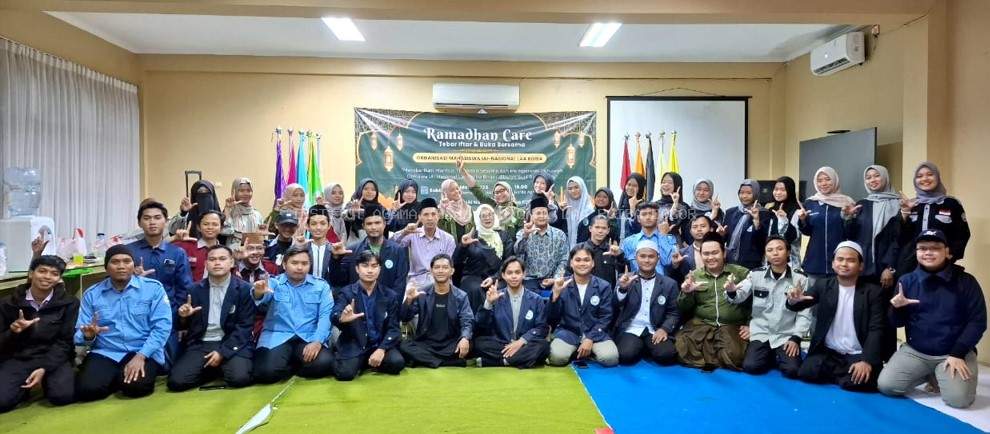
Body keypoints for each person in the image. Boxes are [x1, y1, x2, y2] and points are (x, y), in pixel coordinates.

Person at [878, 229, 986, 408]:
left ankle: (940, 373)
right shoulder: (907, 280)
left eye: (935, 248)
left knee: (958, 400)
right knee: (887, 386)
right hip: (916, 351)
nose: (928, 252)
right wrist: (896, 309)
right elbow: (896, 323)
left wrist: (958, 353)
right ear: (916, 252)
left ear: (947, 252)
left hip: (952, 353)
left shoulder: (966, 282)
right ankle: (930, 373)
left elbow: (978, 321)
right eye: (922, 248)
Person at [75, 245, 172, 401]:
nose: (121, 266)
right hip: (106, 351)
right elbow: (80, 333)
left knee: (136, 388)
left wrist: (141, 356)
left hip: (142, 350)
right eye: (115, 262)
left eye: (127, 261)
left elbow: (162, 327)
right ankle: (115, 377)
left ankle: (119, 377)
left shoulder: (153, 289)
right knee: (87, 390)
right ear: (106, 267)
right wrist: (88, 336)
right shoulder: (92, 294)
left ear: (133, 265)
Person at [787, 241, 885, 392]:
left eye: (851, 260)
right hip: (828, 352)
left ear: (861, 266)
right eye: (840, 259)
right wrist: (793, 300)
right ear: (833, 264)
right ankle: (841, 374)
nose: (844, 264)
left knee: (860, 382)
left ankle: (843, 373)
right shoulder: (823, 285)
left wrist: (866, 361)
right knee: (806, 372)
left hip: (857, 353)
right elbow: (800, 303)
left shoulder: (873, 292)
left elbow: (876, 329)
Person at [167, 245, 255, 391]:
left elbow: (244, 327)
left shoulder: (244, 289)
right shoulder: (194, 290)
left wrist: (222, 352)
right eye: (212, 259)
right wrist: (183, 317)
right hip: (202, 343)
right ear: (206, 264)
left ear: (231, 262)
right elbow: (181, 326)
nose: (217, 263)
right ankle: (213, 369)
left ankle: (221, 365)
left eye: (222, 259)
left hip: (231, 341)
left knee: (240, 378)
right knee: (176, 382)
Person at [0, 256, 77, 412]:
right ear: (31, 273)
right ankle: (22, 389)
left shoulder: (69, 303)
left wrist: (44, 368)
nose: (47, 277)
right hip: (19, 357)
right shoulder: (8, 303)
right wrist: (13, 332)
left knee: (62, 396)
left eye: (54, 274)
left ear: (59, 278)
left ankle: (46, 380)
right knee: (2, 402)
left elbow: (65, 341)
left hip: (53, 355)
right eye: (42, 271)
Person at [252, 246, 334, 382]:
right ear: (284, 264)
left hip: (308, 337)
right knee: (265, 373)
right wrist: (258, 292)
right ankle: (288, 365)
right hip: (277, 337)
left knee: (324, 363)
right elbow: (261, 297)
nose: (299, 267)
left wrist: (317, 341)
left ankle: (290, 365)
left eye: (304, 263)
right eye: (294, 263)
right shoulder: (274, 283)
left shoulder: (321, 286)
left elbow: (326, 316)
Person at [128, 201, 193, 363]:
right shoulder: (128, 252)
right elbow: (115, 285)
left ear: (165, 221)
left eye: (157, 218)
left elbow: (184, 289)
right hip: (135, 317)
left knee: (168, 364)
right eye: (147, 218)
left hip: (169, 317)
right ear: (139, 223)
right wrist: (132, 278)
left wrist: (181, 323)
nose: (152, 222)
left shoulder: (177, 252)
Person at [738, 236, 812, 378]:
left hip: (786, 334)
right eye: (770, 250)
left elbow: (805, 313)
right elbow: (738, 296)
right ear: (766, 254)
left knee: (792, 370)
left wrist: (796, 338)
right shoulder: (755, 275)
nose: (775, 253)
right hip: (761, 332)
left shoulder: (800, 279)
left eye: (780, 249)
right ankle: (771, 355)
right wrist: (731, 291)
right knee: (751, 366)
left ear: (788, 252)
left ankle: (777, 354)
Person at [675, 233, 751, 371]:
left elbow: (755, 303)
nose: (710, 257)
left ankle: (711, 357)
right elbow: (683, 307)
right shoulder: (694, 276)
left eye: (715, 253)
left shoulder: (741, 274)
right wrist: (687, 293)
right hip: (702, 324)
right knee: (680, 348)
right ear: (701, 255)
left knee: (734, 355)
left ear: (724, 253)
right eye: (706, 254)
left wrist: (750, 325)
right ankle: (714, 357)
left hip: (732, 325)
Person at [331, 251, 405, 380]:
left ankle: (367, 361)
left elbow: (394, 328)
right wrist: (341, 318)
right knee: (345, 374)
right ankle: (360, 361)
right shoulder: (347, 292)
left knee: (396, 363)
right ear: (357, 269)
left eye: (374, 266)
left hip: (379, 342)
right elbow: (335, 313)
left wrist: (382, 349)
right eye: (365, 266)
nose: (370, 270)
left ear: (380, 269)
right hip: (355, 342)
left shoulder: (389, 295)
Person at [547, 246, 619, 367]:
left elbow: (606, 317)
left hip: (595, 333)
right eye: (578, 260)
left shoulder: (604, 286)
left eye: (586, 260)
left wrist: (590, 338)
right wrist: (555, 296)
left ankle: (586, 349)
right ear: (571, 263)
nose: (582, 263)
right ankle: (579, 351)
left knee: (610, 358)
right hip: (569, 333)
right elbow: (551, 317)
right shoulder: (561, 284)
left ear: (593, 263)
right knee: (556, 358)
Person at [897, 161, 971, 278]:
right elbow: (899, 237)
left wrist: (951, 254)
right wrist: (905, 212)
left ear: (937, 177)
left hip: (942, 266)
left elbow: (963, 234)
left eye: (930, 174)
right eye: (919, 176)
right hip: (911, 266)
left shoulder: (951, 203)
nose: (925, 179)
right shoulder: (910, 204)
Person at [399, 254, 474, 368]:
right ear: (431, 271)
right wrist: (408, 300)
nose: (440, 271)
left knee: (470, 343)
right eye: (437, 267)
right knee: (404, 345)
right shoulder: (422, 293)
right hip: (426, 344)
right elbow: (404, 318)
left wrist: (464, 338)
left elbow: (467, 320)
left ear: (452, 271)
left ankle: (425, 360)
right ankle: (444, 363)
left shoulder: (461, 296)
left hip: (450, 344)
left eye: (445, 267)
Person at [473, 257, 551, 368]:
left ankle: (500, 362)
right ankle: (522, 359)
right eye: (509, 273)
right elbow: (480, 325)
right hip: (502, 344)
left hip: (525, 343)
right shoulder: (496, 296)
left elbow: (542, 328)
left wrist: (521, 341)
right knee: (478, 343)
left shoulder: (536, 299)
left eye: (517, 272)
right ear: (503, 275)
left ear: (524, 274)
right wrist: (488, 303)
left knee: (543, 346)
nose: (514, 276)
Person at [613, 240, 680, 366]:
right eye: (642, 256)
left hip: (655, 328)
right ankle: (640, 347)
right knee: (626, 356)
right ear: (636, 258)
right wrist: (623, 289)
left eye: (651, 256)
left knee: (667, 355)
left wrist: (664, 329)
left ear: (658, 258)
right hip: (632, 328)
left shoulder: (669, 284)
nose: (647, 260)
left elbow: (674, 313)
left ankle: (646, 347)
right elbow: (615, 306)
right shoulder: (625, 278)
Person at [796, 167, 856, 285]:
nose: (823, 183)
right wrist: (802, 220)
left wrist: (848, 217)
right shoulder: (810, 203)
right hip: (815, 262)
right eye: (819, 180)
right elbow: (807, 232)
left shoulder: (847, 203)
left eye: (827, 179)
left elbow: (852, 233)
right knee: (813, 296)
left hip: (841, 263)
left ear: (835, 180)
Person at [330, 204, 409, 292]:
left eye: (377, 223)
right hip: (357, 299)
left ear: (384, 224)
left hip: (388, 300)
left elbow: (400, 285)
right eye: (369, 224)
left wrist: (390, 301)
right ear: (363, 226)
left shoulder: (398, 251)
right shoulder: (352, 251)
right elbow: (338, 281)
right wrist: (335, 259)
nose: (373, 227)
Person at [453, 204, 513, 312]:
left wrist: (494, 278)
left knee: (501, 288)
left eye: (490, 215)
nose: (487, 218)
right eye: (483, 216)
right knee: (476, 289)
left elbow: (508, 261)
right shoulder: (472, 236)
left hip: (498, 276)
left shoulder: (503, 235)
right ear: (478, 218)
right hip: (473, 276)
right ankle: (478, 320)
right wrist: (463, 245)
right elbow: (456, 260)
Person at [393, 198, 455, 288]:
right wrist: (404, 231)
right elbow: (392, 244)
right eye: (426, 215)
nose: (430, 218)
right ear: (420, 217)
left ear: (438, 216)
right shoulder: (412, 234)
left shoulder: (448, 239)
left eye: (433, 214)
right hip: (416, 281)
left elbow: (446, 266)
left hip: (441, 279)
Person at [457, 159, 527, 239]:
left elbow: (522, 234)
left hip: (510, 246)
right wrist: (464, 173)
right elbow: (476, 189)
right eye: (496, 193)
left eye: (502, 191)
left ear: (509, 191)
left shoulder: (519, 213)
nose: (499, 194)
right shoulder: (492, 206)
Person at [514, 196, 568, 295]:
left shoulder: (559, 235)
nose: (542, 216)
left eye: (544, 213)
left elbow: (564, 260)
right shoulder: (522, 233)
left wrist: (555, 279)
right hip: (529, 280)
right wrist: (525, 236)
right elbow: (518, 254)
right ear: (531, 215)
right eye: (538, 213)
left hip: (552, 279)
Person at [722, 179, 772, 270]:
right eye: (742, 193)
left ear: (756, 194)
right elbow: (724, 238)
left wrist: (756, 221)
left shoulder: (764, 213)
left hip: (751, 263)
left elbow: (762, 240)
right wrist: (721, 234)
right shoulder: (731, 212)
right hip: (729, 261)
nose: (744, 196)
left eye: (749, 193)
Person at [620, 202, 677, 274]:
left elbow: (668, 262)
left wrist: (663, 237)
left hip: (662, 280)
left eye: (651, 214)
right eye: (644, 214)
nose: (648, 217)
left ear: (657, 217)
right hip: (636, 280)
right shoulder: (629, 241)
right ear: (638, 218)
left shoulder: (670, 239)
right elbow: (621, 266)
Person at [172, 210, 225, 282]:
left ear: (221, 228)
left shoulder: (226, 253)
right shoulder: (184, 246)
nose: (210, 227)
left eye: (215, 224)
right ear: (198, 227)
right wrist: (174, 238)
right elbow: (158, 249)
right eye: (206, 224)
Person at [578, 215, 626, 289]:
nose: (600, 231)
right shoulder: (579, 249)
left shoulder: (613, 251)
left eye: (604, 228)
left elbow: (623, 274)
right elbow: (569, 274)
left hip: (607, 293)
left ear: (608, 230)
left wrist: (619, 256)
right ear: (590, 228)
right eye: (597, 227)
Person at [766, 176, 802, 267]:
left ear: (790, 191)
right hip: (770, 262)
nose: (778, 192)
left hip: (790, 263)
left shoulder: (797, 211)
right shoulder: (770, 210)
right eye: (776, 189)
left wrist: (784, 220)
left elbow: (794, 237)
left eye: (782, 190)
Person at [667, 215, 716, 282]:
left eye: (703, 226)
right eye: (695, 227)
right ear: (690, 231)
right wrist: (675, 265)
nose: (699, 229)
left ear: (711, 229)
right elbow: (673, 278)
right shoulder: (682, 253)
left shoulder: (723, 251)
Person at [553, 176, 595, 248]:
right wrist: (560, 212)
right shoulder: (565, 209)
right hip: (566, 250)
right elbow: (557, 228)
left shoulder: (590, 211)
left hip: (585, 250)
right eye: (570, 188)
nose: (573, 191)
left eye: (576, 187)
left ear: (582, 188)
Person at [223, 177, 264, 248]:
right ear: (234, 192)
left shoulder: (257, 214)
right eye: (241, 191)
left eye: (249, 190)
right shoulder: (229, 212)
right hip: (234, 251)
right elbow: (226, 231)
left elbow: (261, 237)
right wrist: (227, 209)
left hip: (253, 251)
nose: (245, 194)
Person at [306, 205, 340, 281]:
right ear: (308, 226)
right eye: (314, 224)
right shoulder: (302, 248)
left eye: (323, 223)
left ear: (329, 226)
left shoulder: (335, 250)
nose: (318, 227)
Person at [318, 182, 358, 246]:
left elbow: (349, 217)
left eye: (340, 193)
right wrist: (319, 208)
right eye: (333, 193)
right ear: (327, 194)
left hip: (348, 246)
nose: (337, 195)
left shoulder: (347, 207)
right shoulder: (321, 210)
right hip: (326, 247)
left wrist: (352, 212)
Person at [656, 172, 688, 242]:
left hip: (674, 243)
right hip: (655, 241)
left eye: (670, 182)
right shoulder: (654, 205)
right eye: (663, 182)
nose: (666, 184)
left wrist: (675, 204)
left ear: (677, 185)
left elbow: (673, 224)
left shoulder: (684, 207)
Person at [617, 173, 647, 239]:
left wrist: (632, 210)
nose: (630, 188)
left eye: (635, 186)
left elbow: (640, 229)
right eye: (629, 184)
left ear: (640, 188)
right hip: (621, 244)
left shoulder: (645, 207)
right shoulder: (622, 204)